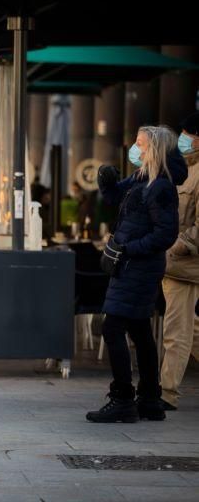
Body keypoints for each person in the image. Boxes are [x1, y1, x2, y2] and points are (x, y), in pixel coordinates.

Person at [87, 126, 185, 423]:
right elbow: (115, 197)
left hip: (138, 267)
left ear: (154, 148)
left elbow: (165, 234)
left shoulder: (162, 186)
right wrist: (107, 180)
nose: (135, 148)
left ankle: (123, 399)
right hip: (130, 266)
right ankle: (150, 399)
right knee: (140, 331)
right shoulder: (144, 177)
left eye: (141, 144)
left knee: (112, 328)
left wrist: (128, 248)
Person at [159, 113, 199, 412]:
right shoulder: (184, 169)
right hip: (171, 263)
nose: (183, 139)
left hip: (184, 266)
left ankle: (167, 394)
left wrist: (178, 245)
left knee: (177, 331)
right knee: (190, 331)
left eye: (187, 134)